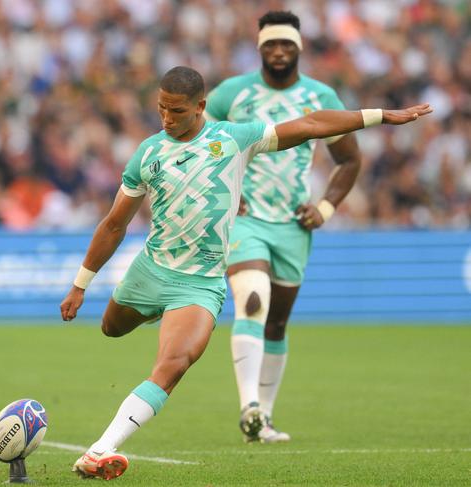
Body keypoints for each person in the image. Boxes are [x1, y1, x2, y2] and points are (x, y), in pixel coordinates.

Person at [60, 65, 430, 480]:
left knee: (176, 362)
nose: (167, 118)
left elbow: (309, 124)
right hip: (151, 269)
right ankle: (157, 312)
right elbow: (114, 224)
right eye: (161, 109)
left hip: (199, 284)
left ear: (201, 107)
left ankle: (101, 448)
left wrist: (379, 115)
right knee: (112, 328)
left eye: (177, 111)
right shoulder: (148, 154)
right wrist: (81, 285)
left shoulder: (234, 139)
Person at [204, 10, 364, 444]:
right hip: (245, 220)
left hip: (294, 224)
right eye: (270, 45)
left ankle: (264, 421)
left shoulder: (321, 96)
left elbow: (350, 159)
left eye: (286, 45)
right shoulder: (229, 95)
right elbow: (198, 145)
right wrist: (224, 191)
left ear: (299, 48)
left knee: (276, 323)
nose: (278, 52)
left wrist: (327, 208)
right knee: (252, 299)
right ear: (258, 48)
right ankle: (249, 407)